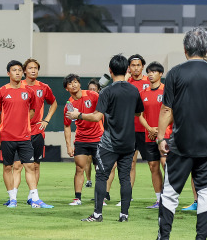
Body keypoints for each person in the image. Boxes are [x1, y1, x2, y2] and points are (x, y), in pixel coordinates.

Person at [149, 27, 207, 240]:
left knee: (170, 192)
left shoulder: (175, 73)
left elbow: (167, 109)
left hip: (180, 144)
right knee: (205, 193)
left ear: (185, 49)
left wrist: (160, 138)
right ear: (206, 49)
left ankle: (164, 239)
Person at [67, 55, 143, 222]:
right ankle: (124, 215)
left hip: (110, 143)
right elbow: (138, 113)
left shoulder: (107, 91)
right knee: (125, 178)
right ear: (127, 69)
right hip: (129, 142)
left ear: (110, 70)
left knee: (101, 176)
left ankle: (97, 214)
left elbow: (96, 117)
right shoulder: (134, 90)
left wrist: (78, 114)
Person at [0, 60, 51, 209]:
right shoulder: (1, 91)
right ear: (8, 73)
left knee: (30, 166)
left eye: (19, 70)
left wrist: (22, 122)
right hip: (7, 137)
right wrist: (5, 125)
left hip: (25, 136)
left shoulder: (29, 91)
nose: (18, 72)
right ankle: (12, 199)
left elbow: (32, 111)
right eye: (14, 70)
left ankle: (35, 198)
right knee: (8, 167)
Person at [11, 58, 57, 207]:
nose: (33, 70)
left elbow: (54, 103)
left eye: (36, 68)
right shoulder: (18, 85)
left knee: (35, 165)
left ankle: (33, 197)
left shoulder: (43, 87)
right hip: (20, 132)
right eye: (30, 68)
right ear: (24, 71)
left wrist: (46, 120)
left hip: (37, 131)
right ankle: (13, 198)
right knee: (17, 165)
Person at [63, 74, 103, 206]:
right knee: (79, 168)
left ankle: (100, 198)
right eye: (70, 83)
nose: (73, 85)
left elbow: (101, 113)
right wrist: (68, 146)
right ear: (66, 88)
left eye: (75, 82)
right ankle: (77, 198)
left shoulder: (93, 95)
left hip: (98, 137)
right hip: (81, 139)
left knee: (100, 169)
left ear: (80, 84)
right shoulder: (69, 105)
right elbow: (67, 126)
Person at [138, 62, 170, 209]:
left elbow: (172, 113)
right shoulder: (143, 93)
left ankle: (169, 198)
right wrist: (150, 128)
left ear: (161, 74)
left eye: (154, 72)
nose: (151, 74)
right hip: (149, 135)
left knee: (166, 165)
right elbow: (140, 115)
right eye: (149, 72)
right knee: (153, 166)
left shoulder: (167, 91)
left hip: (165, 135)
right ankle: (159, 200)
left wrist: (160, 129)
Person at [126, 54, 150, 199]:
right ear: (129, 67)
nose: (136, 68)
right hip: (131, 130)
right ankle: (128, 195)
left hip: (148, 130)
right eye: (133, 65)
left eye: (138, 65)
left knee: (155, 165)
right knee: (131, 164)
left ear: (143, 66)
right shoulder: (126, 82)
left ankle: (161, 198)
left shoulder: (150, 81)